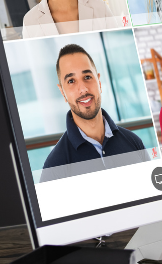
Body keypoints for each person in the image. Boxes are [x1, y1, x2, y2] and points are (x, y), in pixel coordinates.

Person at [41, 44, 147, 178]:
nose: (83, 89)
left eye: (87, 77)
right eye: (71, 81)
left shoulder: (134, 142)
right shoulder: (55, 167)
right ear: (62, 92)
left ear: (99, 83)